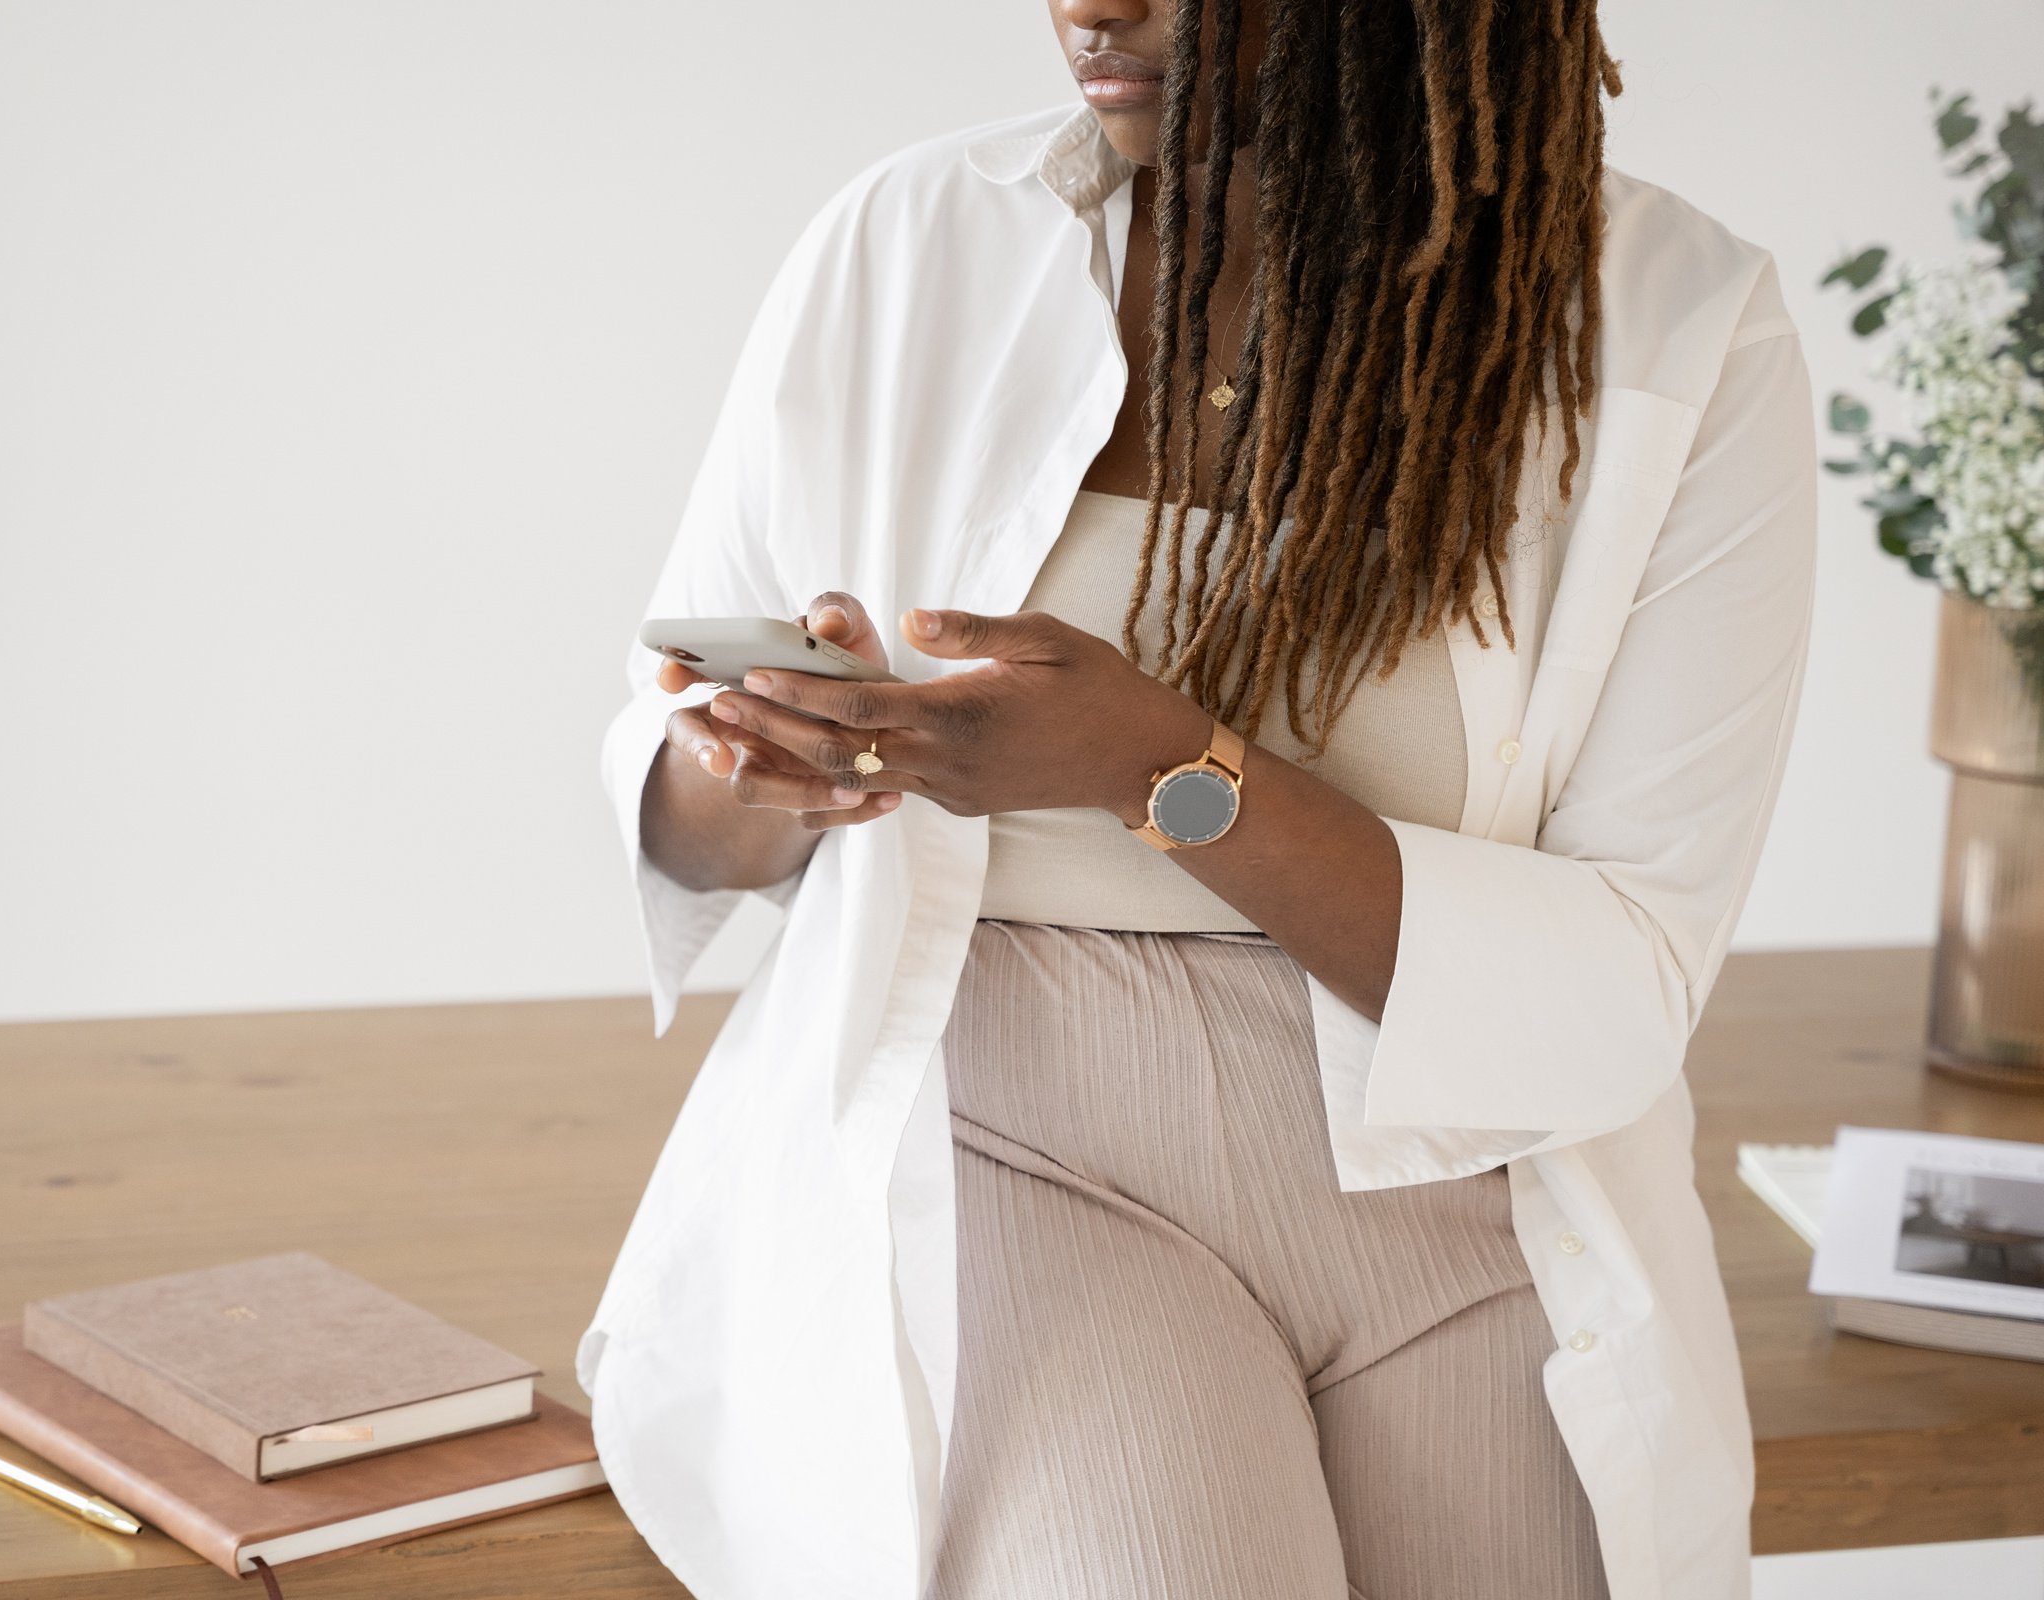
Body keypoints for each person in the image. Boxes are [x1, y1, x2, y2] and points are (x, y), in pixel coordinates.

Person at [582, 0, 1814, 1595]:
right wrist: (778, 762)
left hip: (1484, 1189)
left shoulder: (1678, 328)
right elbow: (693, 816)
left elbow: (1627, 974)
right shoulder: (913, 241)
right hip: (1029, 1155)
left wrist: (1144, 763)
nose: (1095, 7)